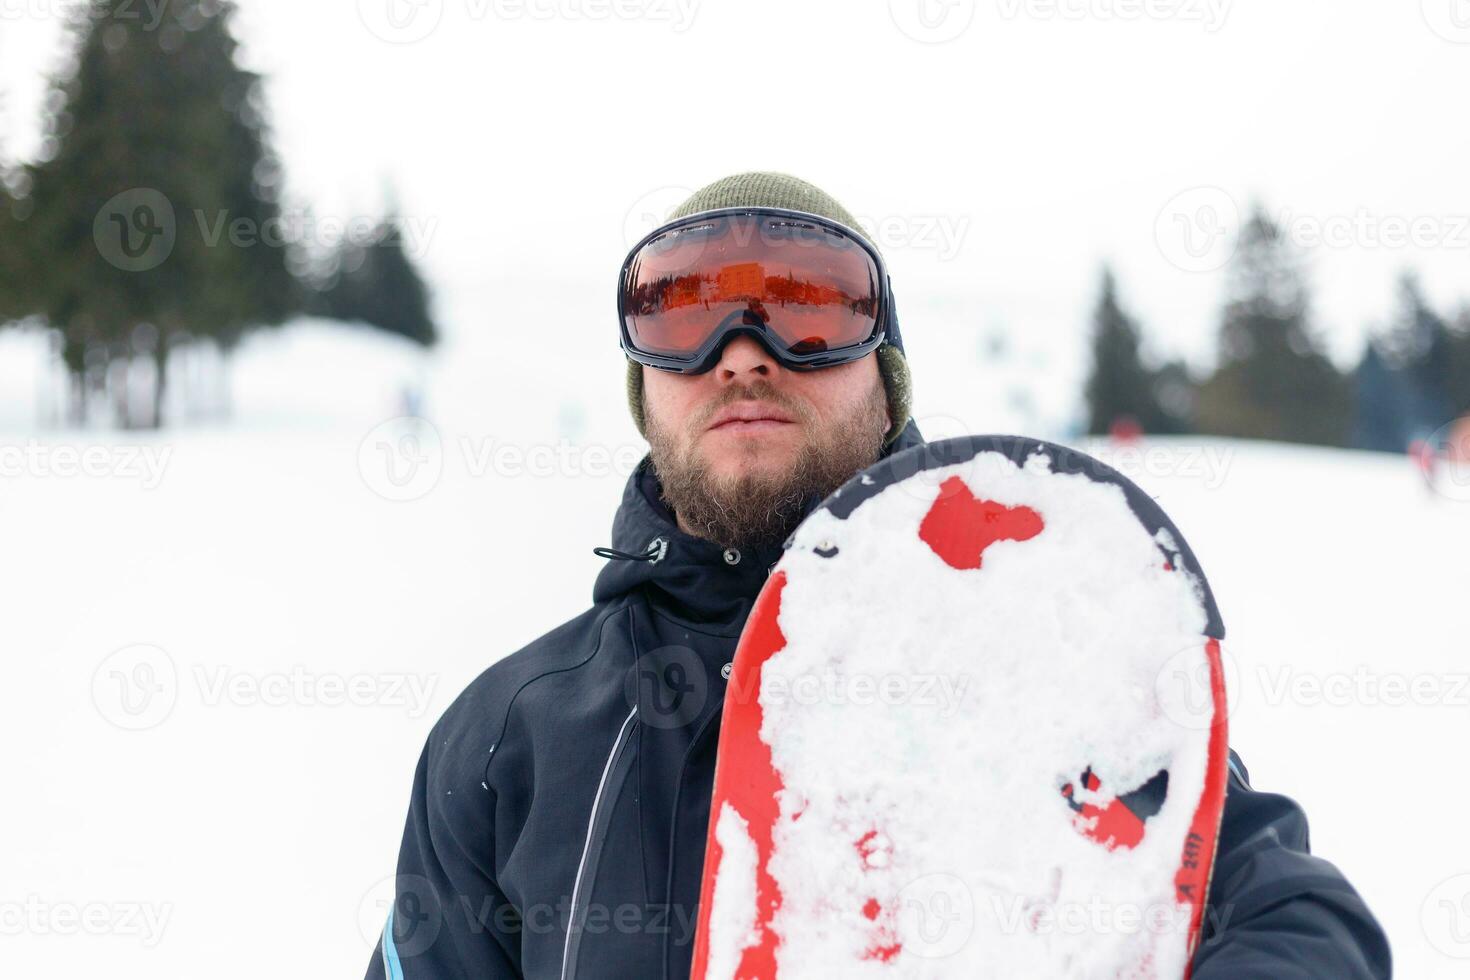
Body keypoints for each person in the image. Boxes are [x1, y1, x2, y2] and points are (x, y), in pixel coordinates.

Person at [365, 172, 1390, 979]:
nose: (742, 355)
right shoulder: (510, 737)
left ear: (886, 373)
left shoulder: (1037, 659)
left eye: (809, 311)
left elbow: (1287, 910)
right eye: (684, 316)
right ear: (645, 393)